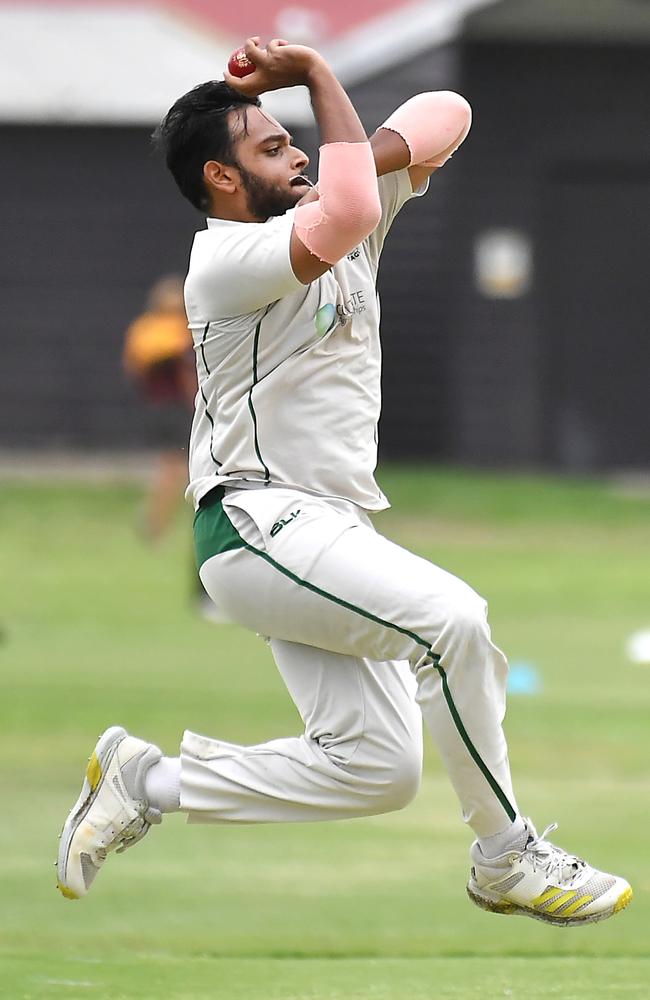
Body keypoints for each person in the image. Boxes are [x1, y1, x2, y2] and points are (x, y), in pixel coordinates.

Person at [56, 38, 632, 926]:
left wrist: (365, 150)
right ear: (219, 176)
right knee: (454, 624)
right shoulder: (228, 257)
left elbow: (448, 114)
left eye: (296, 140)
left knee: (376, 768)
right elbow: (354, 200)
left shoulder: (339, 208)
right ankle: (507, 857)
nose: (296, 155)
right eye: (270, 147)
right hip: (256, 523)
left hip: (324, 530)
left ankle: (149, 781)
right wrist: (320, 74)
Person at [123, 275, 196, 543]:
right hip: (177, 409)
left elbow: (133, 368)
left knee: (171, 467)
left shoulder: (143, 330)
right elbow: (188, 372)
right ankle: (154, 522)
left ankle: (155, 520)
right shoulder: (180, 331)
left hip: (155, 407)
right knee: (177, 469)